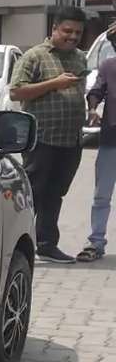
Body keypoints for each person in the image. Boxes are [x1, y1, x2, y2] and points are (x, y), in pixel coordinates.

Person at [9, 7, 88, 263]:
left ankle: (46, 244)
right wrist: (54, 83)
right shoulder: (35, 56)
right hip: (42, 139)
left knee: (55, 194)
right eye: (67, 31)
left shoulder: (80, 58)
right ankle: (14, 244)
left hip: (71, 140)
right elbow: (16, 92)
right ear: (54, 29)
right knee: (33, 192)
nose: (73, 36)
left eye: (77, 32)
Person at [77, 22, 116, 261]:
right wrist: (92, 109)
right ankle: (96, 242)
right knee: (101, 195)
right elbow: (96, 91)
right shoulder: (108, 66)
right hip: (111, 140)